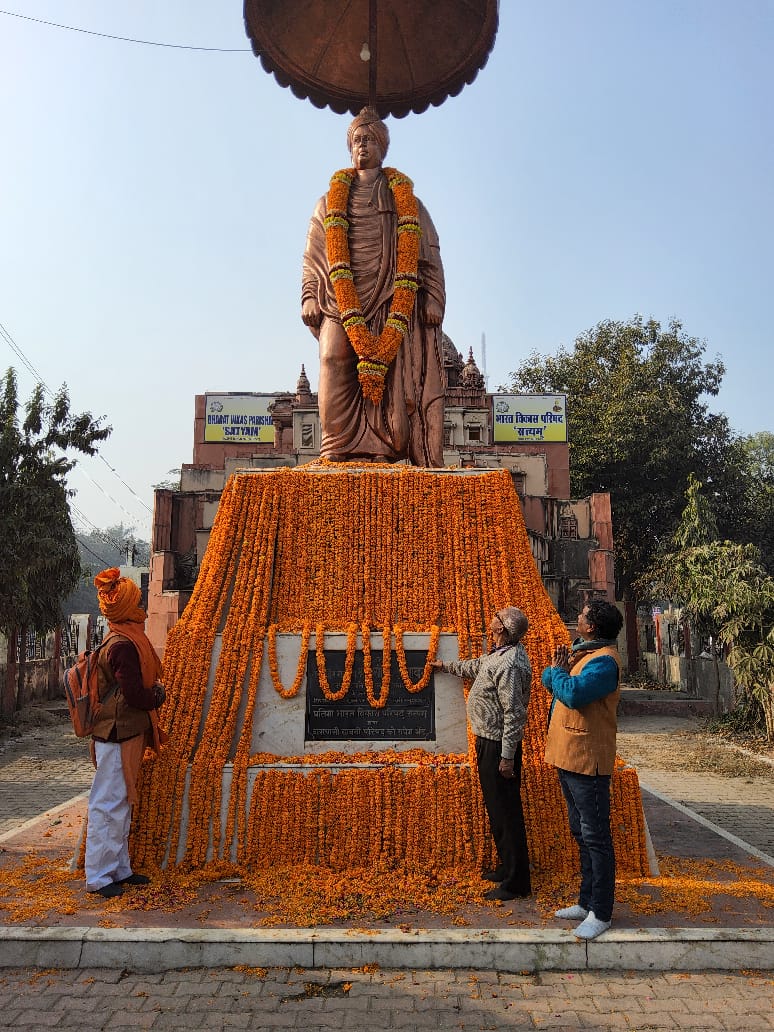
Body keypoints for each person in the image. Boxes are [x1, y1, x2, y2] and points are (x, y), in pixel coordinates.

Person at [301, 106, 446, 466]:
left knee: (393, 373)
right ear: (349, 148)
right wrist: (308, 295)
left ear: (383, 146)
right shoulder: (327, 202)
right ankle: (335, 445)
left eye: (370, 139)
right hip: (339, 298)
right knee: (333, 357)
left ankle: (382, 449)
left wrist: (432, 296)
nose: (363, 146)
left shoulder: (406, 203)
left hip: (391, 297)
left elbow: (428, 250)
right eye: (357, 140)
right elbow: (313, 254)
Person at [432, 607, 532, 900]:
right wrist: (444, 665)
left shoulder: (511, 663)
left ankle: (516, 883)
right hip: (488, 740)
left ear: (502, 628)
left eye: (497, 618)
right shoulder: (498, 654)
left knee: (507, 811)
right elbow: (475, 667)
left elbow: (514, 713)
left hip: (498, 745)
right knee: (497, 809)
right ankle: (506, 867)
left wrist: (507, 757)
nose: (491, 620)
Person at [542, 598, 624, 940]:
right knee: (581, 832)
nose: (577, 618)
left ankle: (601, 912)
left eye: (582, 615)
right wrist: (556, 675)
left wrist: (557, 673)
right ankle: (586, 900)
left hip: (587, 759)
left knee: (595, 836)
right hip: (569, 754)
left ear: (592, 626)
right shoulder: (585, 654)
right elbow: (553, 682)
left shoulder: (604, 663)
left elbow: (572, 694)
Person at [85, 567, 166, 898]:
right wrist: (157, 697)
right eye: (138, 602)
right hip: (116, 732)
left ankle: (119, 869)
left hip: (124, 732)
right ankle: (99, 876)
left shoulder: (124, 638)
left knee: (120, 802)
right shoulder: (123, 644)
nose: (142, 608)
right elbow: (134, 694)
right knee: (108, 803)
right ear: (127, 608)